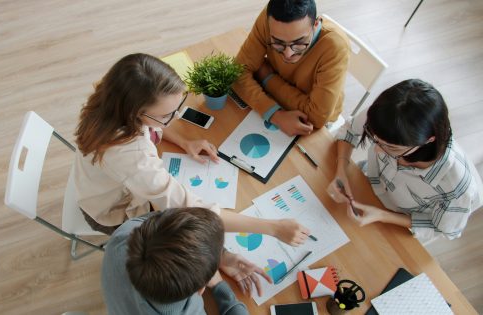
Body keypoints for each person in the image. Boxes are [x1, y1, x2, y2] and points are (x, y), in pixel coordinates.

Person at [73, 53, 310, 242]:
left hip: (104, 187)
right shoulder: (129, 154)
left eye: (178, 108)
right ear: (136, 112)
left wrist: (185, 141)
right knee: (186, 242)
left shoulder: (112, 98)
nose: (175, 118)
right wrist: (272, 227)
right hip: (112, 214)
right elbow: (188, 207)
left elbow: (152, 123)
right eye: (167, 115)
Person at [328, 79, 483, 242]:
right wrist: (341, 171)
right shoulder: (388, 116)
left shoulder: (456, 187)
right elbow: (350, 131)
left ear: (428, 140)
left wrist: (383, 215)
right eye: (376, 139)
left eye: (391, 147)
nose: (377, 149)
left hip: (397, 222)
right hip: (366, 184)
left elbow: (441, 228)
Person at [102, 207, 270, 315]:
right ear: (201, 289)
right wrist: (220, 286)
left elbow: (163, 219)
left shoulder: (124, 234)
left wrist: (219, 256)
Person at [231, 0, 350, 136]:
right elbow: (237, 72)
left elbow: (316, 118)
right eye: (278, 42)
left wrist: (267, 78)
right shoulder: (269, 18)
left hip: (314, 125)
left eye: (299, 42)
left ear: (315, 24)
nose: (288, 54)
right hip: (277, 102)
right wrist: (276, 115)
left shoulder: (335, 46)